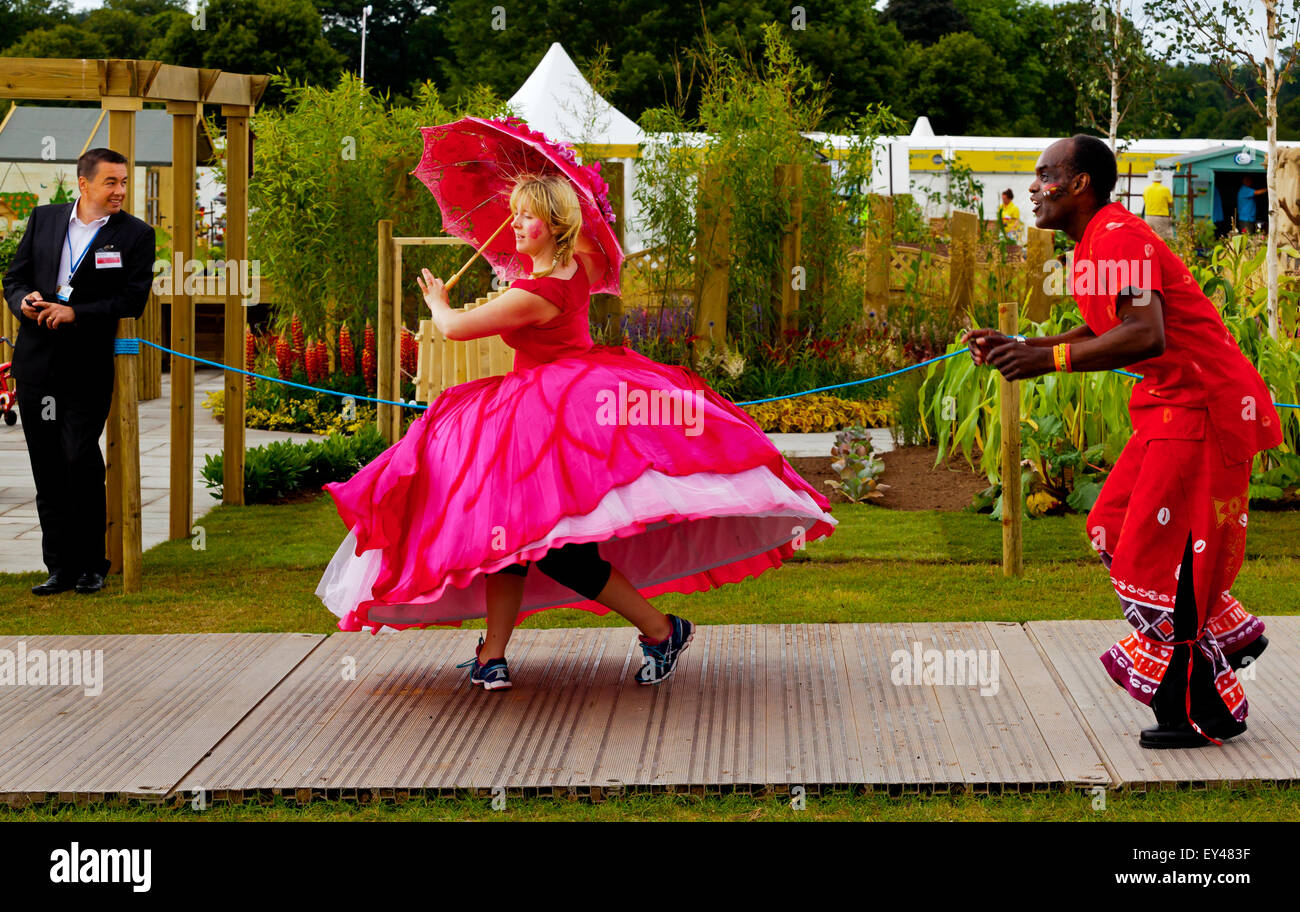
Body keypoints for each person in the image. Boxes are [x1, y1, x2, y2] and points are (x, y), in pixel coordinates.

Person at [316, 173, 836, 690]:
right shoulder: (574, 268)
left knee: (559, 548)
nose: (513, 223)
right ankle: (493, 654)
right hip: (543, 411)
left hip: (555, 416)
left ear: (555, 224)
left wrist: (435, 301)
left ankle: (661, 630)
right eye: (514, 212)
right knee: (507, 532)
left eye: (526, 215)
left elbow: (453, 329)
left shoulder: (535, 293)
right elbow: (555, 266)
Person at [963, 134, 1280, 749]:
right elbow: (1113, 322)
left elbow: (1145, 336)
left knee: (1164, 553)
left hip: (1204, 406)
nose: (1033, 186)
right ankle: (1222, 639)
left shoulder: (1119, 236)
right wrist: (1025, 348)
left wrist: (1049, 359)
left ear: (1081, 184)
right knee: (1112, 526)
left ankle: (1195, 707)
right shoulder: (1098, 240)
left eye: (1045, 174)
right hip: (1170, 409)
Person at [2, 148, 155, 596]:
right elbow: (14, 278)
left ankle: (92, 565)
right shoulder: (44, 219)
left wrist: (76, 313)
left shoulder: (135, 235)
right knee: (47, 466)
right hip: (37, 366)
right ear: (84, 184)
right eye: (111, 182)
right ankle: (59, 567)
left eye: (124, 182)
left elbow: (131, 300)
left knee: (79, 459)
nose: (120, 191)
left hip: (85, 367)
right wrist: (24, 301)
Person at [1141, 171, 1174, 242]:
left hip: (1148, 217)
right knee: (1164, 239)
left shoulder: (1146, 189)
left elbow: (1145, 200)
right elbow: (1171, 204)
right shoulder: (1165, 190)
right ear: (1161, 179)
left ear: (1153, 179)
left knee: (1150, 239)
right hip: (1161, 217)